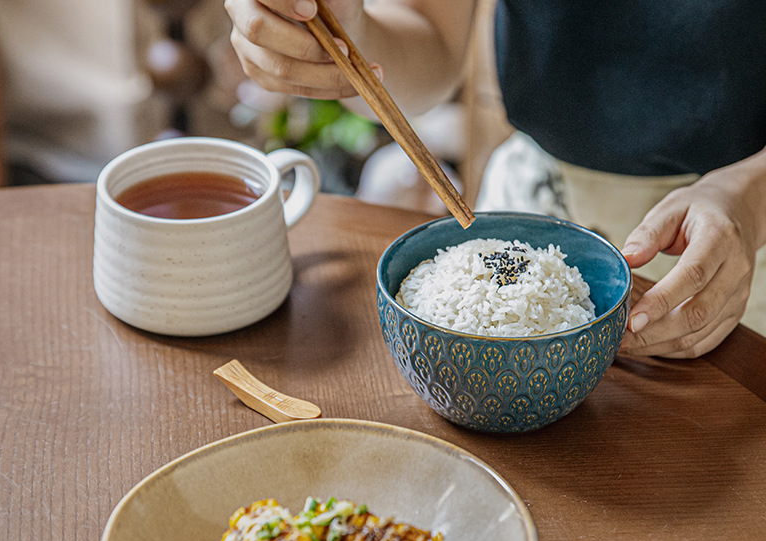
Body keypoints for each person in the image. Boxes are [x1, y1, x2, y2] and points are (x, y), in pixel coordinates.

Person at [223, 0, 766, 358]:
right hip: (530, 209)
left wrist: (749, 195)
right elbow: (428, 39)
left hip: (739, 234)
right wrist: (342, 34)